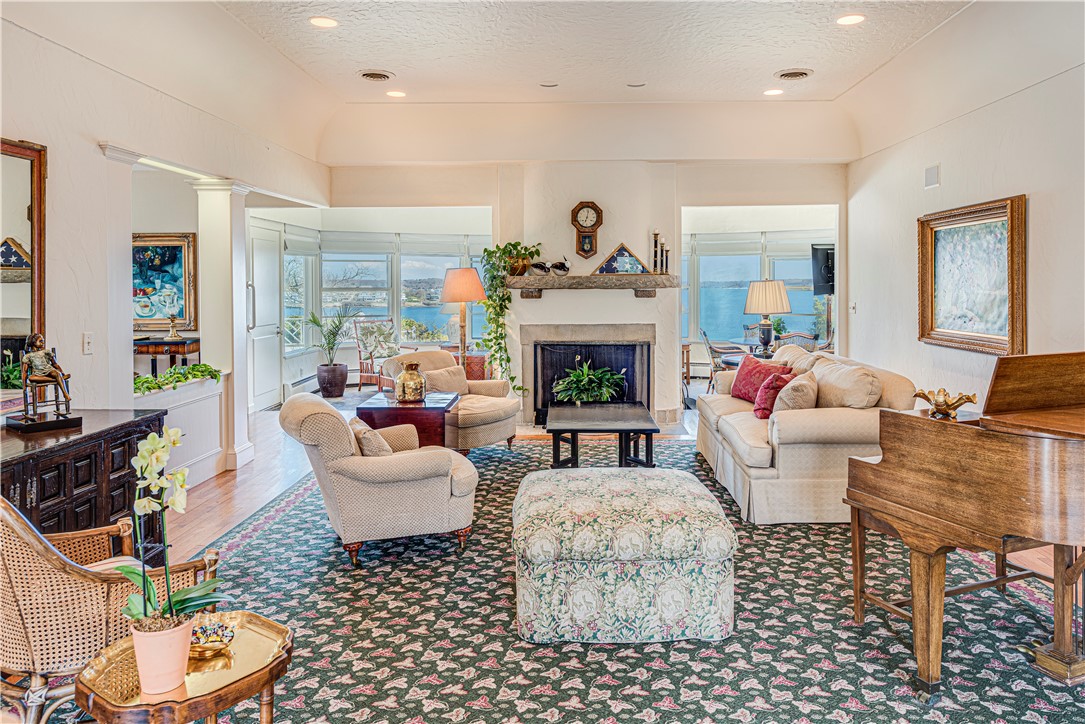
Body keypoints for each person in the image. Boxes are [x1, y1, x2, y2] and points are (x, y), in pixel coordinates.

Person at [21, 333, 71, 402]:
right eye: (40, 341)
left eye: (43, 341)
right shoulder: (28, 356)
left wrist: (62, 373)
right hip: (38, 374)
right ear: (34, 342)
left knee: (56, 373)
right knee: (31, 378)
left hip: (49, 370)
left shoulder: (46, 352)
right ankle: (58, 379)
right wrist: (24, 385)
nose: (43, 343)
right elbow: (25, 371)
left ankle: (65, 394)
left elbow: (55, 364)